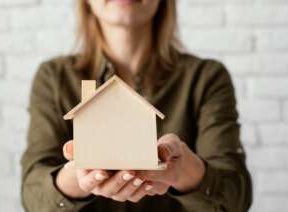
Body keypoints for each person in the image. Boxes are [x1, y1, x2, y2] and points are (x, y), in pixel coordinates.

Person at [21, 0, 252, 211]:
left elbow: (235, 198)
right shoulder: (53, 77)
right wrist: (79, 174)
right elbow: (33, 197)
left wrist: (185, 172)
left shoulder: (206, 77)